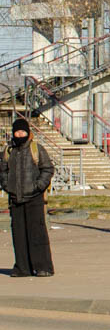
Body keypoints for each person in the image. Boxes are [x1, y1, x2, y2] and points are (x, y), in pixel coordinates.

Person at [2, 117, 54, 277]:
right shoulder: (8, 151)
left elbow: (48, 169)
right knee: (19, 234)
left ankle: (43, 267)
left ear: (28, 132)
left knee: (37, 232)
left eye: (22, 131)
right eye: (17, 132)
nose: (20, 134)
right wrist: (7, 186)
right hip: (15, 199)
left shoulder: (36, 149)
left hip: (34, 198)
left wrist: (37, 186)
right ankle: (22, 267)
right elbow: (2, 171)